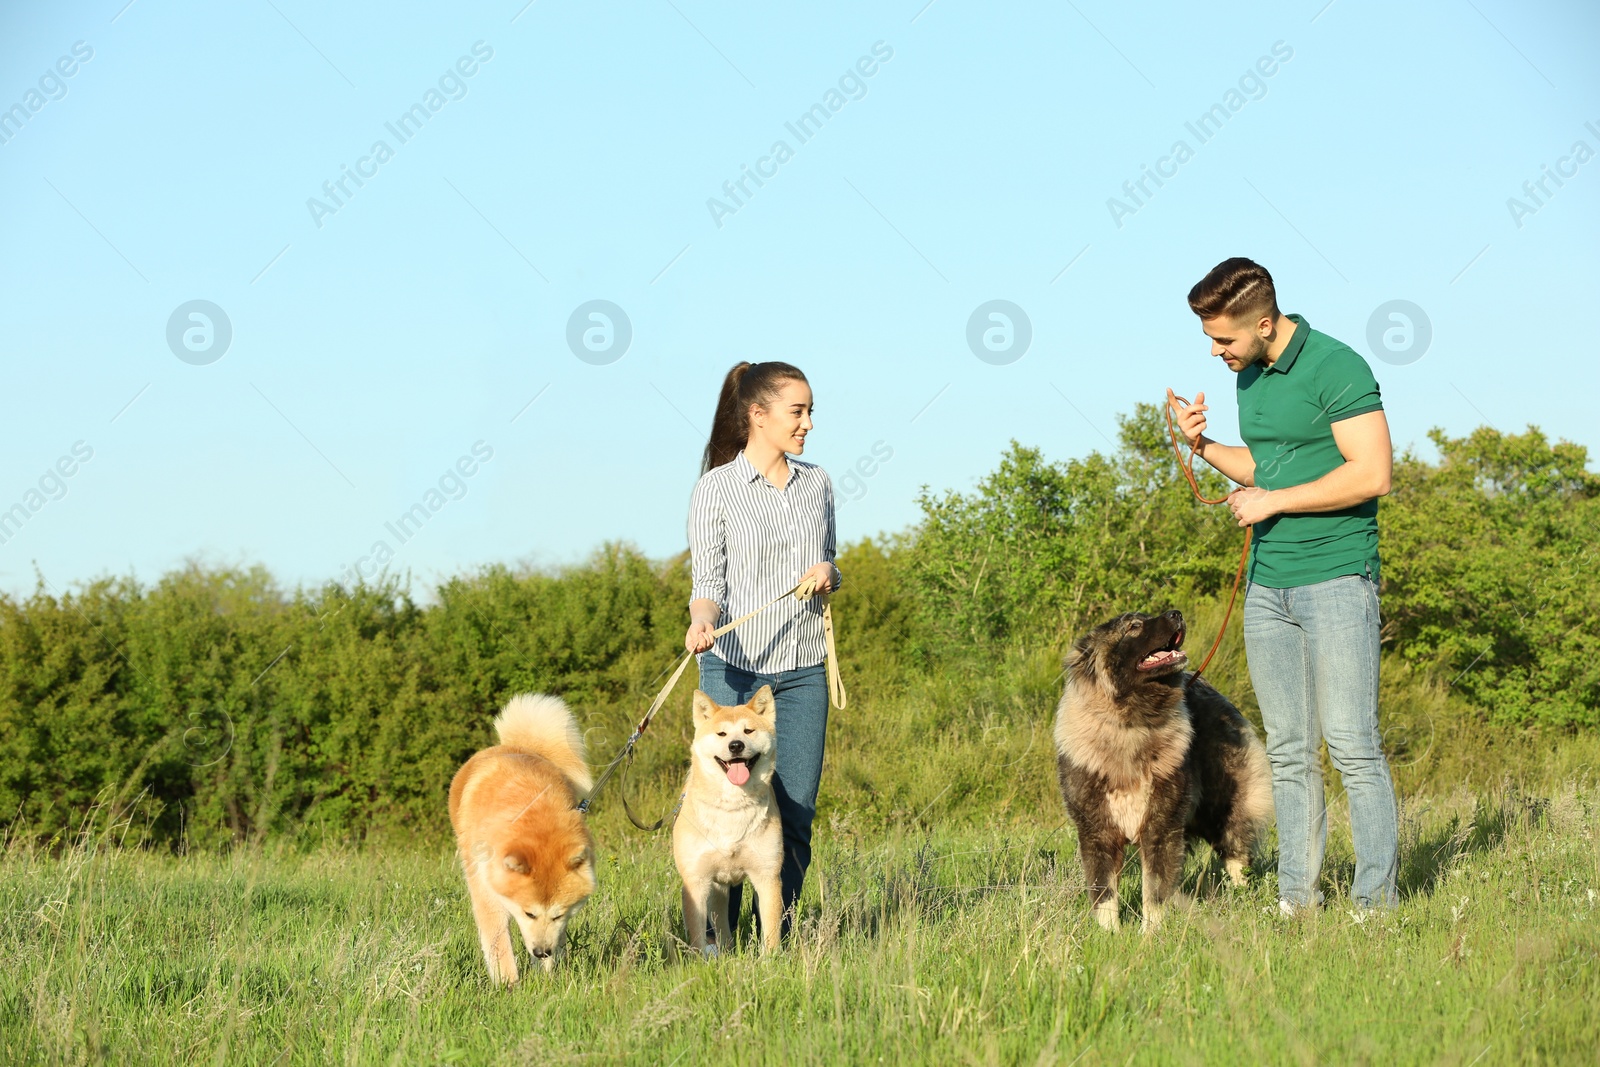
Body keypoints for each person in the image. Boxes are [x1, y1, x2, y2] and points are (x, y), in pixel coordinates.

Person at [1168, 257, 1400, 913]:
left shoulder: (1337, 366)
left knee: (1354, 745)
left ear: (1265, 323)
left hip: (1337, 578)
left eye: (1225, 340)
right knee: (1291, 751)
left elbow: (1372, 472)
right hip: (1270, 588)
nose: (1216, 353)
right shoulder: (1251, 376)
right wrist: (1204, 444)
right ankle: (1297, 899)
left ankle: (1374, 904)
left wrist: (1274, 501)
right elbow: (1264, 466)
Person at [684, 360, 842, 941]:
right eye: (796, 412)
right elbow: (709, 587)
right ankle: (716, 946)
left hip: (800, 673)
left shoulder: (817, 483)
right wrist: (701, 625)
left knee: (793, 813)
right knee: (722, 815)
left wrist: (830, 571)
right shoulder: (715, 489)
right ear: (758, 414)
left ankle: (778, 941)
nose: (806, 424)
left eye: (809, 412)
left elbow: (830, 561)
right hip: (731, 668)